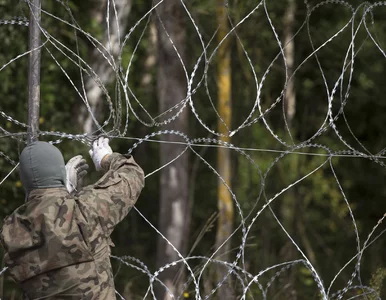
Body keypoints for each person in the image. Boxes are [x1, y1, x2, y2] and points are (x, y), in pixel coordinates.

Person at [0, 137, 145, 299]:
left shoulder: (12, 230)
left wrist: (63, 192)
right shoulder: (83, 210)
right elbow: (132, 175)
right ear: (60, 173)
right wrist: (106, 158)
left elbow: (46, 222)